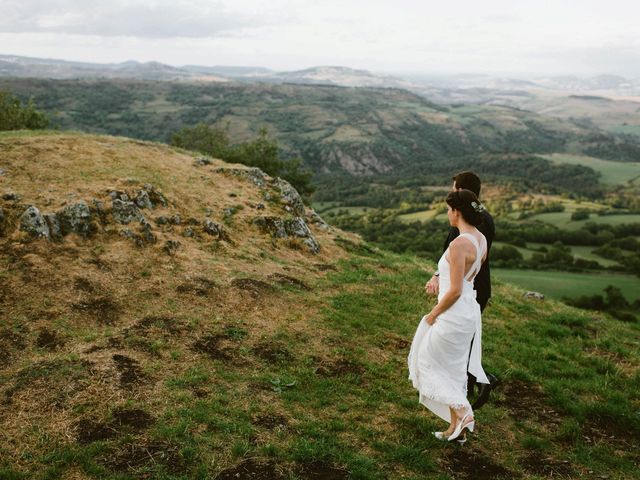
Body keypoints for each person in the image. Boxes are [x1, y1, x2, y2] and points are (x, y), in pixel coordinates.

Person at [408, 189, 490, 442]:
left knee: (427, 359)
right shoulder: (480, 239)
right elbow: (467, 281)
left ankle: (465, 413)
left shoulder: (458, 244)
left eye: (448, 209)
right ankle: (455, 429)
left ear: (456, 212)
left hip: (453, 311)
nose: (446, 213)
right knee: (452, 369)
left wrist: (434, 313)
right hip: (468, 311)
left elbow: (454, 289)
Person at [425, 171, 495, 409]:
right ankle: (467, 389)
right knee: (461, 342)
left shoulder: (472, 225)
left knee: (456, 344)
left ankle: (471, 386)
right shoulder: (474, 218)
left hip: (469, 288)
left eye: (454, 188)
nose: (452, 193)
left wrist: (435, 311)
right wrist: (438, 274)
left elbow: (463, 258)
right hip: (466, 286)